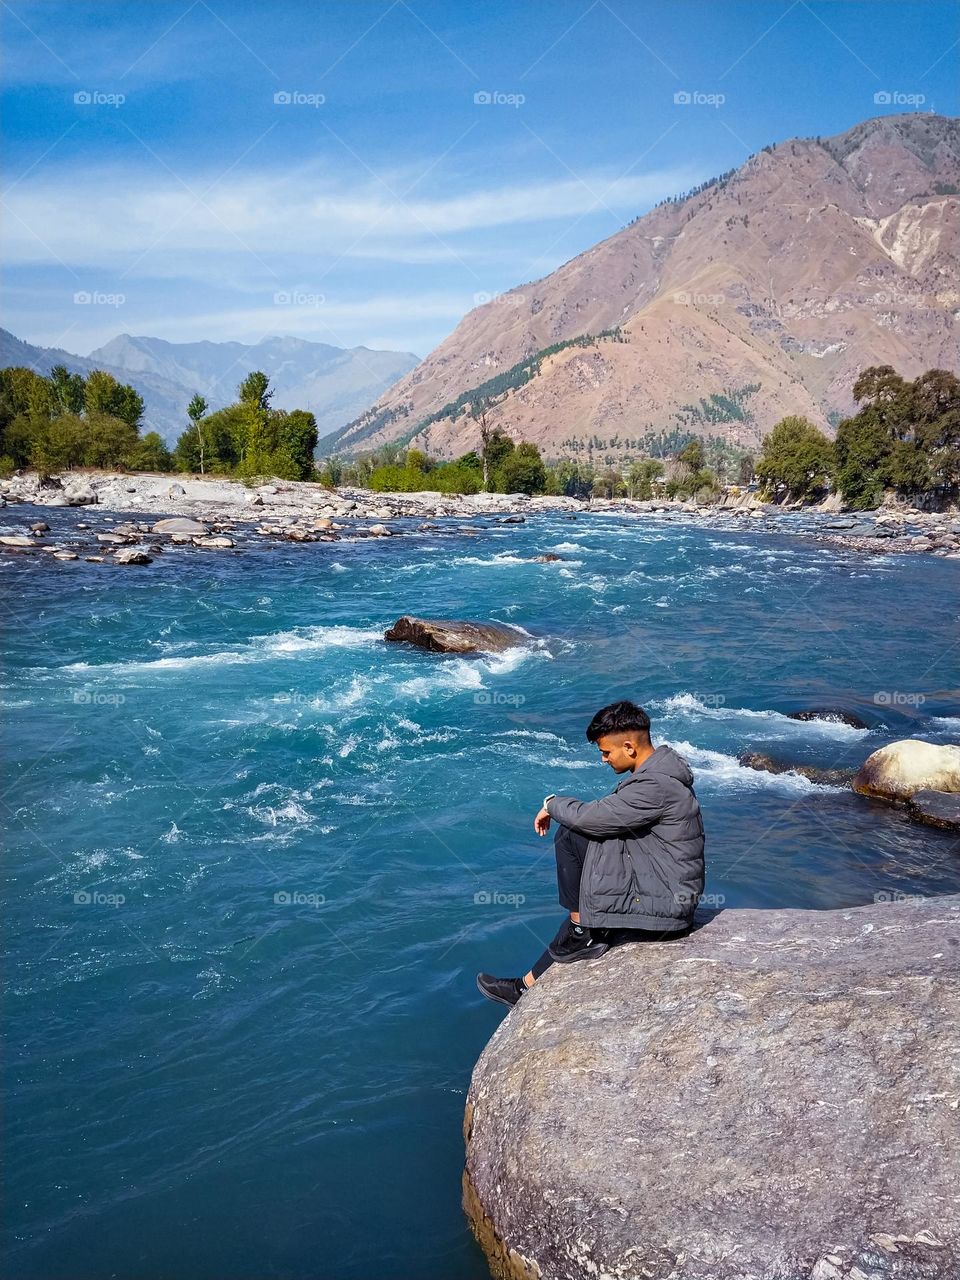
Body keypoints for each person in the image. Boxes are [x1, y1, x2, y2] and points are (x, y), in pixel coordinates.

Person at [477, 699, 706, 1007]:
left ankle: (577, 934)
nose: (603, 759)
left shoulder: (655, 785)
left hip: (667, 908)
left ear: (629, 747)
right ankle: (527, 984)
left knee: (571, 834)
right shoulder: (659, 774)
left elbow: (591, 818)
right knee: (584, 857)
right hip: (665, 891)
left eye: (606, 752)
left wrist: (551, 804)